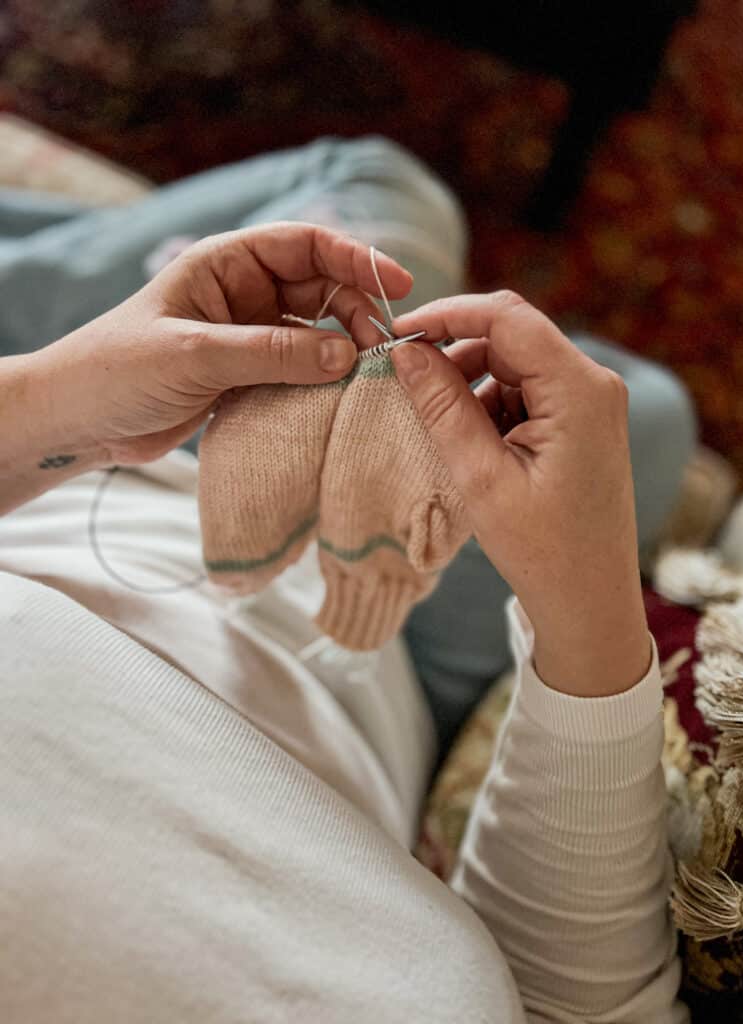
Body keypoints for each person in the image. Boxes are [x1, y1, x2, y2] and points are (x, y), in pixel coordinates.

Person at [0, 137, 692, 1022]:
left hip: (79, 449)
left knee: (371, 195)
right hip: (390, 672)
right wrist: (586, 609)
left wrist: (59, 406)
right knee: (650, 415)